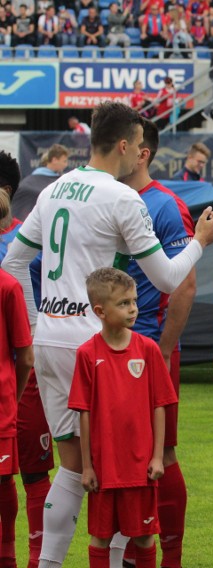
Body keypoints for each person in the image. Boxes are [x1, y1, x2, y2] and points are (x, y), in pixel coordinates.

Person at [1, 100, 213, 568]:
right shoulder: (123, 198)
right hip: (96, 347)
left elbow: (13, 264)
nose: (141, 153)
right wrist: (201, 243)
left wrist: (39, 320)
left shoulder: (57, 188)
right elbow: (165, 278)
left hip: (51, 342)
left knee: (71, 466)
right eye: (140, 145)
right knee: (120, 467)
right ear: (125, 145)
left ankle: (49, 562)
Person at [113, 118, 197, 568]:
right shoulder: (112, 199)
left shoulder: (165, 206)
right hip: (111, 348)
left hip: (149, 345)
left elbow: (184, 284)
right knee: (116, 451)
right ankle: (128, 548)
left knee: (161, 452)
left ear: (141, 153)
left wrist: (163, 347)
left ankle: (170, 555)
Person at [68, 268, 176, 568]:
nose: (133, 309)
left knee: (143, 537)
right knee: (100, 538)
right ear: (100, 311)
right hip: (105, 469)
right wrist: (88, 466)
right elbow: (84, 413)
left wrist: (156, 457)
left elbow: (160, 405)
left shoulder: (148, 350)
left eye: (134, 301)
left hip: (140, 467)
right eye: (124, 303)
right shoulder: (87, 354)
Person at [0, 189, 35, 568]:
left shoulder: (9, 286)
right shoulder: (9, 286)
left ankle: (7, 553)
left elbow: (25, 354)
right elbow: (24, 358)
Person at [11, 144, 68, 221]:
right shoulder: (26, 186)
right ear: (54, 160)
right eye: (64, 161)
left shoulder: (62, 181)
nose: (66, 164)